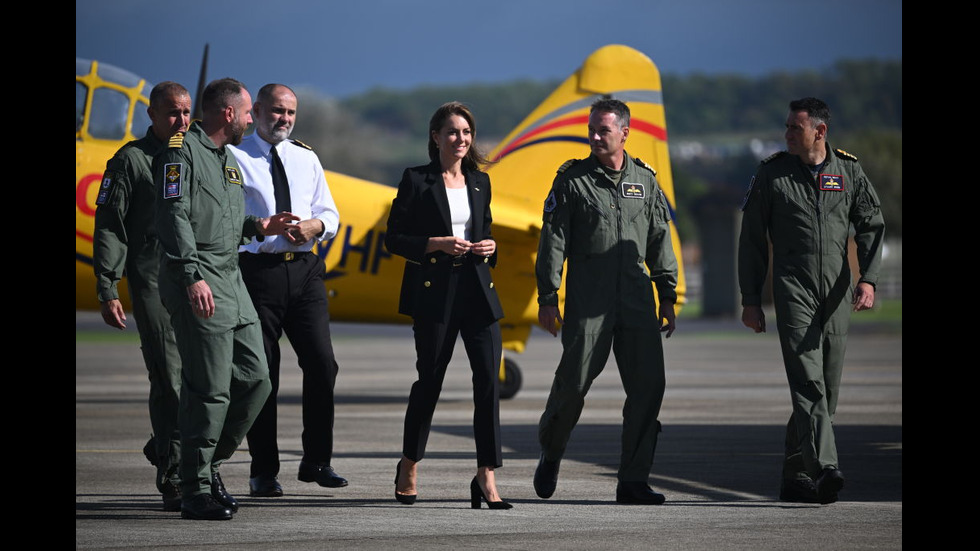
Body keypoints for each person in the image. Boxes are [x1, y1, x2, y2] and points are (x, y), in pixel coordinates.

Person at [154, 78, 299, 520]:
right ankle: (194, 489)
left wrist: (261, 226)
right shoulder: (178, 154)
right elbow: (173, 216)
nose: (254, 119)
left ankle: (206, 463)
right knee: (210, 389)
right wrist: (189, 275)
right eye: (249, 112)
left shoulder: (227, 161)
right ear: (230, 114)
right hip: (198, 279)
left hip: (232, 280)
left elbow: (227, 221)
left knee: (257, 381)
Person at [738, 97, 885, 505]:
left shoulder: (848, 171)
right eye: (786, 127)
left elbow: (871, 224)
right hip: (793, 288)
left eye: (794, 128)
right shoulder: (772, 174)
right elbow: (751, 240)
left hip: (837, 291)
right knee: (808, 381)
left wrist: (868, 279)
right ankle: (826, 467)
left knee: (828, 389)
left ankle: (795, 475)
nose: (786, 134)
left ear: (819, 132)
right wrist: (750, 299)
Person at [534, 98, 678, 505]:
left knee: (649, 389)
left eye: (604, 130)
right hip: (588, 303)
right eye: (592, 129)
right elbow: (554, 242)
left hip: (636, 302)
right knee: (573, 385)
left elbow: (659, 242)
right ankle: (552, 450)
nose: (596, 137)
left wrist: (667, 295)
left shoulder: (646, 181)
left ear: (625, 133)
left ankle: (633, 480)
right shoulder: (572, 180)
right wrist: (548, 297)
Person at [384, 101, 511, 509]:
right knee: (430, 382)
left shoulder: (480, 182)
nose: (461, 139)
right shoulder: (416, 180)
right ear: (435, 137)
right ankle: (409, 463)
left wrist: (490, 248)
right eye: (453, 132)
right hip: (434, 291)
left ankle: (486, 475)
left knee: (489, 382)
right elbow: (394, 239)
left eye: (467, 133)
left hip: (477, 290)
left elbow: (485, 232)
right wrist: (435, 244)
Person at [229, 84, 347, 497]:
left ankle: (317, 461)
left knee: (323, 364)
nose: (284, 119)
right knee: (265, 375)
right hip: (257, 273)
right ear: (256, 111)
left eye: (290, 112)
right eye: (277, 111)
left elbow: (329, 211)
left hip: (305, 271)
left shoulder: (305, 156)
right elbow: (229, 219)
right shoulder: (234, 157)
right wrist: (264, 230)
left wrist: (317, 226)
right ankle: (263, 471)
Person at [93, 81, 191, 512]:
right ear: (151, 115)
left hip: (199, 278)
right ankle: (173, 472)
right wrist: (108, 285)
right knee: (169, 377)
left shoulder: (196, 155)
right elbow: (111, 224)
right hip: (151, 278)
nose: (182, 121)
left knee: (222, 377)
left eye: (187, 113)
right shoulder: (130, 161)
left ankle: (173, 448)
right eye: (172, 113)